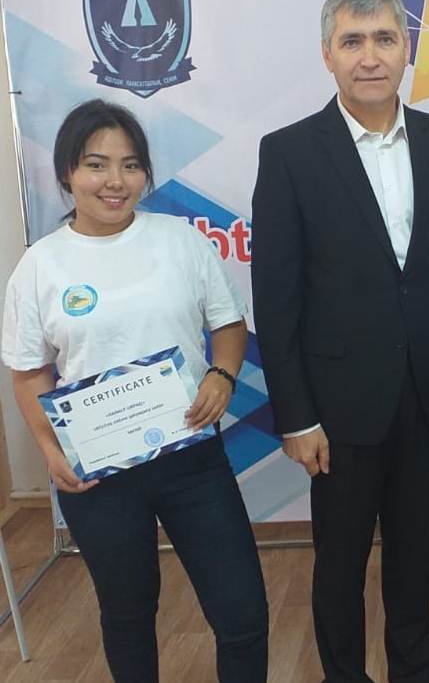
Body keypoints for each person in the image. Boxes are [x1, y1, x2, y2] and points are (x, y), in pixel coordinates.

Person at [250, 0, 429, 682]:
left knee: (417, 560)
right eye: (352, 41)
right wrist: (296, 416)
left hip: (428, 400)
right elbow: (276, 298)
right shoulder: (288, 152)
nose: (370, 56)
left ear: (407, 49)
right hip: (338, 410)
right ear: (328, 54)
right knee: (339, 567)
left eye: (384, 39)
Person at [1, 100, 268, 682]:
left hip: (192, 459)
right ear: (68, 172)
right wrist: (50, 451)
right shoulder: (40, 266)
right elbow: (29, 372)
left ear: (146, 172)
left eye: (130, 165)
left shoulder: (181, 241)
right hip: (99, 475)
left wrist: (222, 375)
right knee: (128, 615)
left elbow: (228, 325)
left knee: (242, 613)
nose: (115, 181)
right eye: (96, 165)